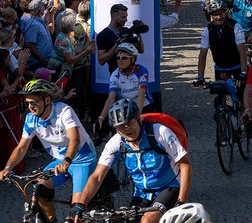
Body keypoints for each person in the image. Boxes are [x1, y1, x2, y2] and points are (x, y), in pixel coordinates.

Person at [73, 99, 192, 222]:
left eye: (129, 122)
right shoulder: (116, 143)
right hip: (141, 193)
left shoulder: (159, 132)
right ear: (116, 129)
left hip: (168, 187)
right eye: (121, 127)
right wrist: (81, 203)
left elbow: (184, 165)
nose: (127, 129)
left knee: (148, 220)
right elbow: (97, 176)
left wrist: (181, 201)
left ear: (139, 119)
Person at [0, 80, 96, 222]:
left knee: (77, 210)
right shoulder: (31, 119)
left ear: (47, 100)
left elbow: (74, 139)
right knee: (39, 191)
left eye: (34, 103)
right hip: (59, 161)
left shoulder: (64, 112)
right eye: (27, 103)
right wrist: (8, 168)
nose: (30, 107)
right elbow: (21, 148)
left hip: (82, 159)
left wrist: (67, 161)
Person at [194, 1, 248, 99]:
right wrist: (200, 77)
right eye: (215, 14)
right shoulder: (208, 30)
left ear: (225, 12)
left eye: (221, 13)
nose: (219, 17)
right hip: (220, 68)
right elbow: (202, 55)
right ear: (211, 15)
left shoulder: (235, 26)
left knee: (242, 95)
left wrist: (243, 72)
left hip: (236, 66)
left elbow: (242, 52)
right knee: (220, 97)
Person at [98, 43, 153, 130]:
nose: (120, 60)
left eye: (124, 58)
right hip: (128, 107)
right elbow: (111, 99)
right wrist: (101, 117)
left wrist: (137, 116)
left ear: (132, 59)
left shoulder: (141, 71)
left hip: (144, 105)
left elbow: (141, 95)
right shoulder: (115, 75)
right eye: (118, 58)